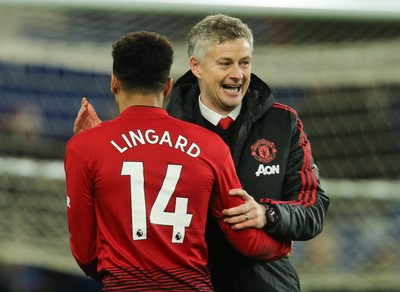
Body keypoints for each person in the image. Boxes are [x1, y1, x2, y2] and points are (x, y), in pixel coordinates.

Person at [74, 15, 330, 292]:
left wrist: (268, 214)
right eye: (225, 63)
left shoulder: (283, 124)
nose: (238, 74)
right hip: (188, 283)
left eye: (244, 62)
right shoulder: (164, 126)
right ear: (195, 66)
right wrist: (105, 146)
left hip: (265, 284)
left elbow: (313, 210)